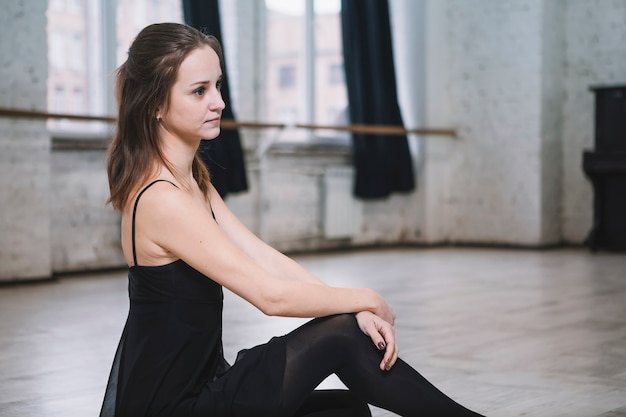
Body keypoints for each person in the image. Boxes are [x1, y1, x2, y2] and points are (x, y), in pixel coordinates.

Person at [100, 22, 486, 417]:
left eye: (217, 86)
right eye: (199, 91)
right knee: (341, 337)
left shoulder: (190, 180)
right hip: (175, 407)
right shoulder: (161, 198)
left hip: (207, 385)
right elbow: (270, 296)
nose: (218, 102)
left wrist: (355, 313)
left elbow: (263, 257)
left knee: (347, 410)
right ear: (155, 105)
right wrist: (365, 300)